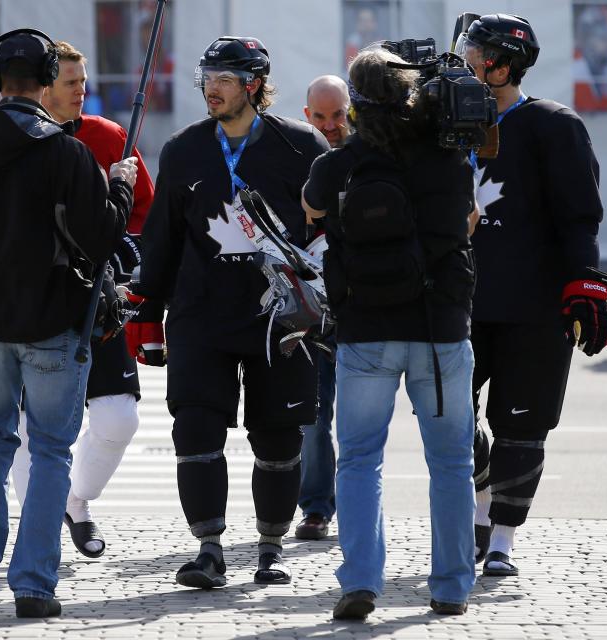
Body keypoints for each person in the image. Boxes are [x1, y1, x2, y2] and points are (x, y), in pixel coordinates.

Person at [0, 29, 137, 617]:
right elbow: (101, 237)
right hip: (54, 324)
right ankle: (34, 585)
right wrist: (117, 189)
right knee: (50, 451)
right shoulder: (67, 153)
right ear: (44, 83)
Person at [127, 36, 330, 589]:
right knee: (195, 429)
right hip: (200, 316)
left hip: (280, 320)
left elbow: (328, 229)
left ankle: (270, 549)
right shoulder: (184, 149)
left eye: (224, 77)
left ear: (254, 84)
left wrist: (327, 298)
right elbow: (162, 238)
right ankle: (209, 550)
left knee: (280, 437)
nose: (210, 88)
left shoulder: (301, 144)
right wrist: (146, 314)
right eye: (206, 76)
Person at [303, 47, 480, 618]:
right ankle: (451, 586)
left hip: (367, 329)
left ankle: (360, 580)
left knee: (358, 459)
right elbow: (468, 219)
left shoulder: (342, 162)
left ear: (355, 106)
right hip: (440, 330)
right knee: (451, 462)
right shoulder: (448, 156)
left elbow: (310, 209)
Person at [457, 14, 607, 577]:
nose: (464, 59)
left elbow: (580, 216)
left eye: (474, 51)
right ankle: (477, 500)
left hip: (532, 305)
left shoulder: (554, 125)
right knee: (446, 411)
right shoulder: (443, 123)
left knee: (522, 424)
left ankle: (501, 538)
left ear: (500, 63)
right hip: (456, 300)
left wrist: (586, 287)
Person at [9, 40, 155, 559]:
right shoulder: (17, 138)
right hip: (37, 304)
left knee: (119, 418)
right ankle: (38, 534)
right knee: (33, 428)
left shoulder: (108, 135)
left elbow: (142, 213)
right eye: (71, 82)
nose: (82, 91)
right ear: (44, 86)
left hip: (100, 302)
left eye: (84, 80)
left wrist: (127, 259)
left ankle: (74, 500)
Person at [294, 74, 350, 541]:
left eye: (339, 115)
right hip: (311, 308)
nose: (331, 126)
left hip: (363, 308)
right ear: (307, 115)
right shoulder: (297, 156)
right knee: (313, 415)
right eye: (321, 117)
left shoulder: (369, 155)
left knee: (360, 418)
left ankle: (354, 500)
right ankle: (315, 507)